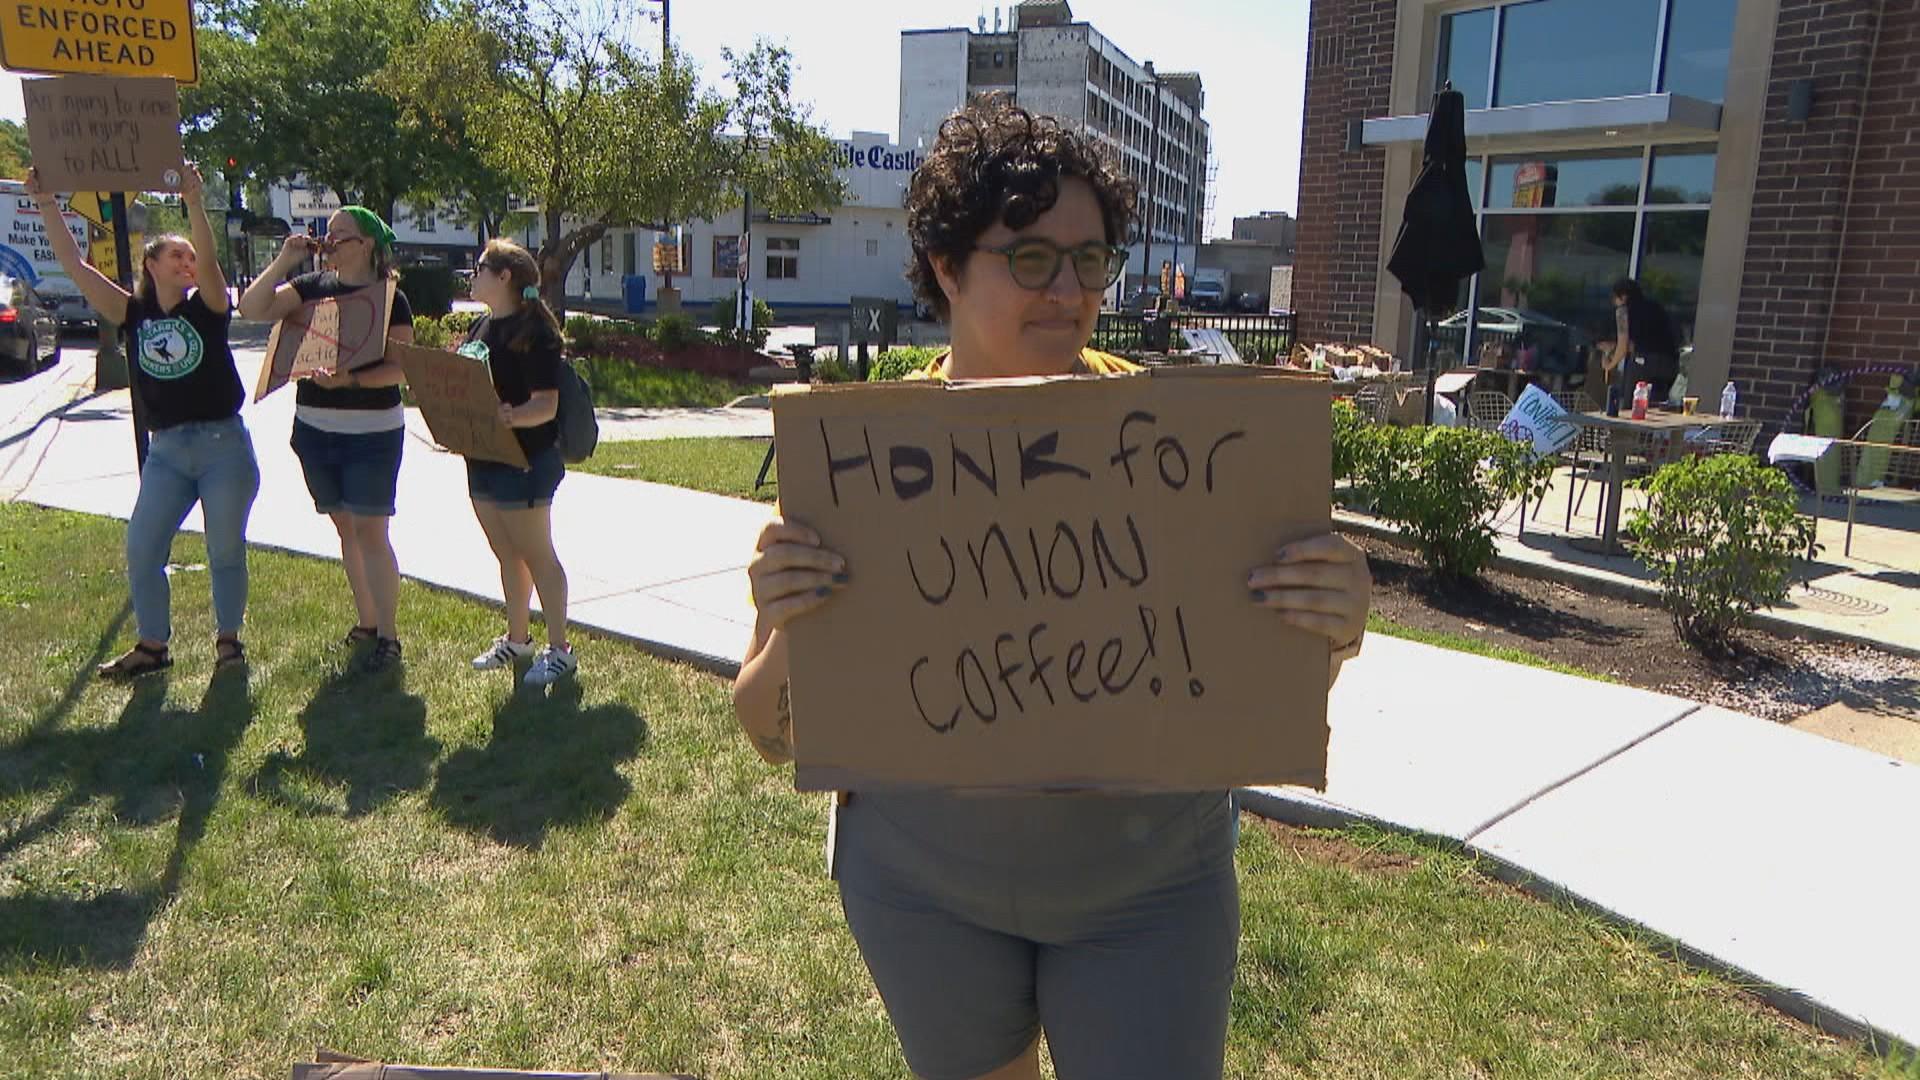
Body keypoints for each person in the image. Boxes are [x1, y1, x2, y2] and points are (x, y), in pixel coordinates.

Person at [730, 99, 1372, 1080]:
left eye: (1090, 259)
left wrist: (1329, 627)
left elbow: (1241, 688)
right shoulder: (866, 463)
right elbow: (771, 731)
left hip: (1149, 891)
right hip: (922, 893)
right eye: (1030, 258)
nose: (1067, 290)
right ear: (947, 266)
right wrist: (788, 631)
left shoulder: (1183, 447)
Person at [26, 166, 260, 679]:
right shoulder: (132, 313)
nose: (188, 262)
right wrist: (45, 202)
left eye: (190, 257)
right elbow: (75, 266)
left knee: (224, 548)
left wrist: (194, 200)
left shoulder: (209, 308)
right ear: (150, 264)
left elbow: (211, 262)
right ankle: (152, 647)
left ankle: (228, 641)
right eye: (176, 255)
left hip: (222, 445)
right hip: (167, 452)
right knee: (143, 547)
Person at [238, 207, 414, 672]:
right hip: (315, 431)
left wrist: (351, 381)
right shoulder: (310, 287)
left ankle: (389, 636)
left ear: (367, 244)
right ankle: (367, 621)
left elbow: (401, 370)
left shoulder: (391, 298)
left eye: (341, 235)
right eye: (326, 233)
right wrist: (283, 261)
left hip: (372, 433)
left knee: (371, 532)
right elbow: (251, 309)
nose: (328, 241)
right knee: (346, 529)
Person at [458, 239, 577, 687]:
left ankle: (560, 650)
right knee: (507, 553)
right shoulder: (480, 327)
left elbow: (546, 404)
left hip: (525, 460)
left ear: (504, 276)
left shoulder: (536, 333)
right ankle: (518, 639)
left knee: (538, 554)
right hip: (483, 457)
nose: (472, 275)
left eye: (480, 268)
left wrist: (512, 416)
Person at [1599, 277, 1681, 405]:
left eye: (1615, 298)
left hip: (1644, 363)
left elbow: (1623, 346)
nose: (1614, 302)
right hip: (1669, 364)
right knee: (1656, 402)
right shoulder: (1655, 307)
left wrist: (1609, 365)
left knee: (1633, 402)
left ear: (1623, 297)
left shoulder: (1623, 311)